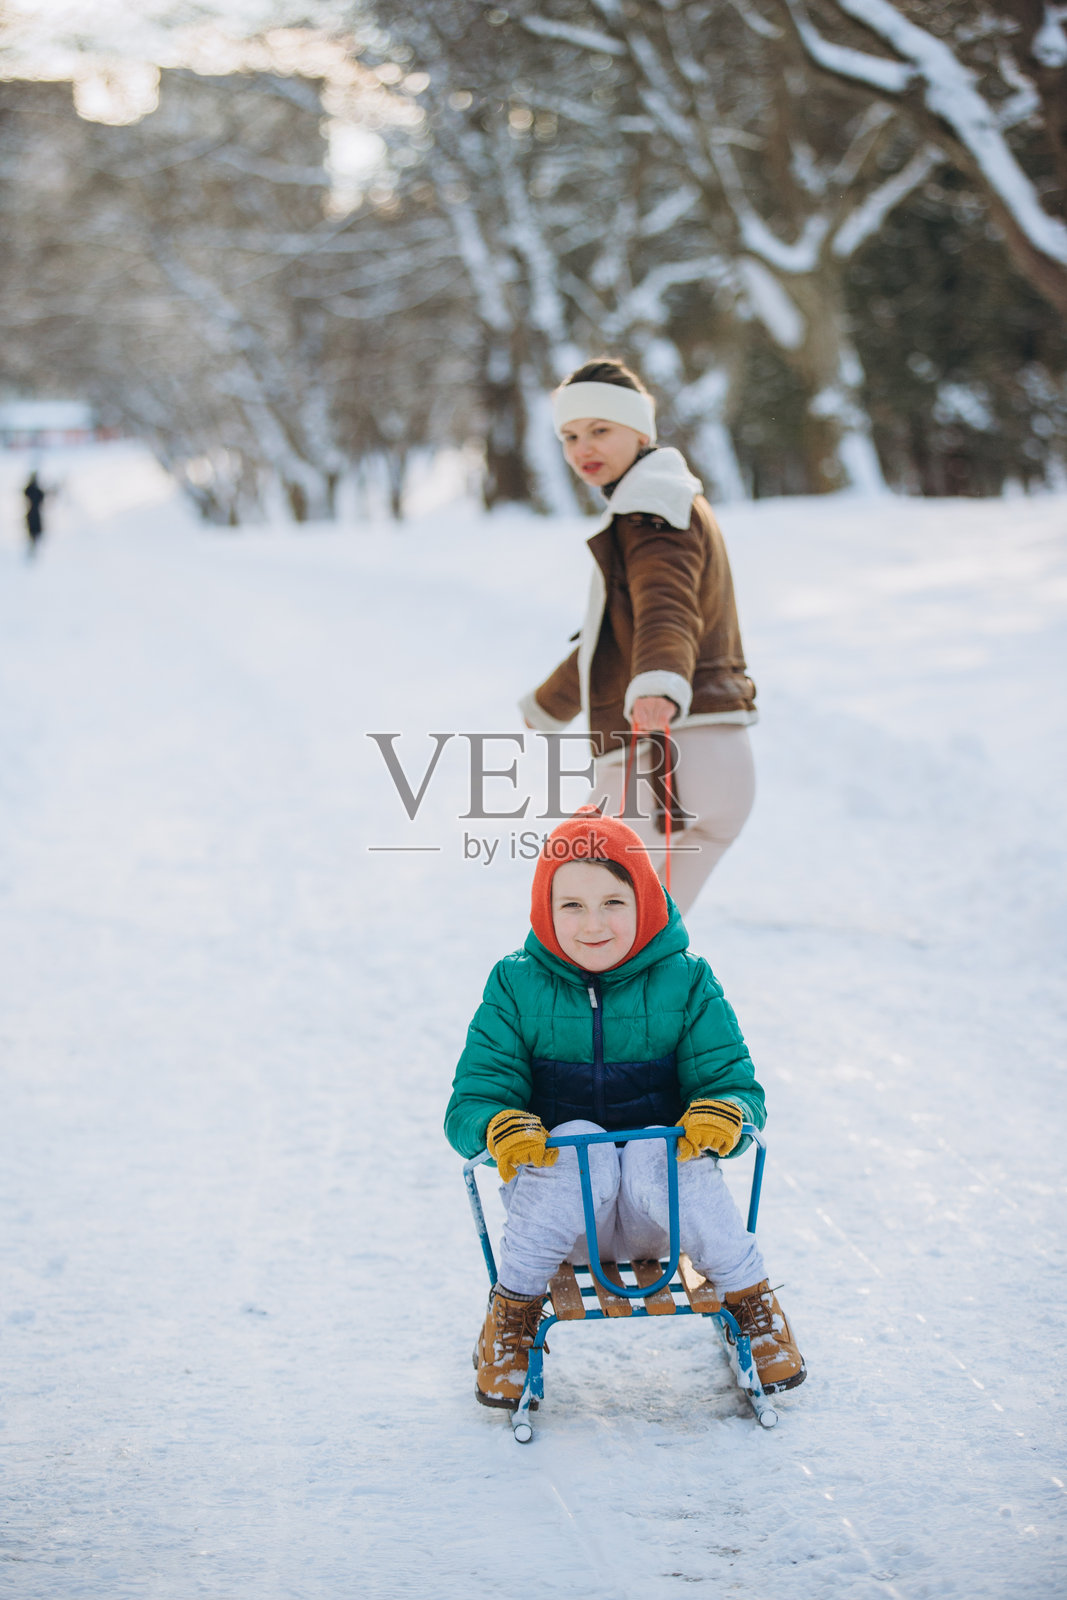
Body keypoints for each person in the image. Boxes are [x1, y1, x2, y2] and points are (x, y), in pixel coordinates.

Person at [445, 808, 805, 1412]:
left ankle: (752, 1302)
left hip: (657, 1213)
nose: (594, 924)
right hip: (562, 1227)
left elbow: (738, 1088)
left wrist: (726, 1114)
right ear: (544, 908)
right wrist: (496, 1125)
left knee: (654, 1143)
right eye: (573, 906)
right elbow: (472, 1101)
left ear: (646, 899)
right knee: (576, 1137)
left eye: (613, 901)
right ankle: (512, 1316)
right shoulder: (515, 984)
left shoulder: (686, 982)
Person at [519, 359, 756, 915]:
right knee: (644, 948)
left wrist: (658, 684)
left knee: (582, 929)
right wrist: (548, 706)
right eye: (570, 436)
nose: (583, 448)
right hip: (720, 762)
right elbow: (612, 635)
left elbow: (665, 609)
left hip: (669, 762)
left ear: (640, 432)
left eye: (601, 430)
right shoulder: (672, 501)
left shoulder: (648, 508)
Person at [24, 470, 46, 555]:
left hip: (35, 514)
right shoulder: (32, 489)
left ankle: (33, 549)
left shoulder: (33, 489)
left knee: (34, 534)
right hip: (33, 514)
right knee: (33, 533)